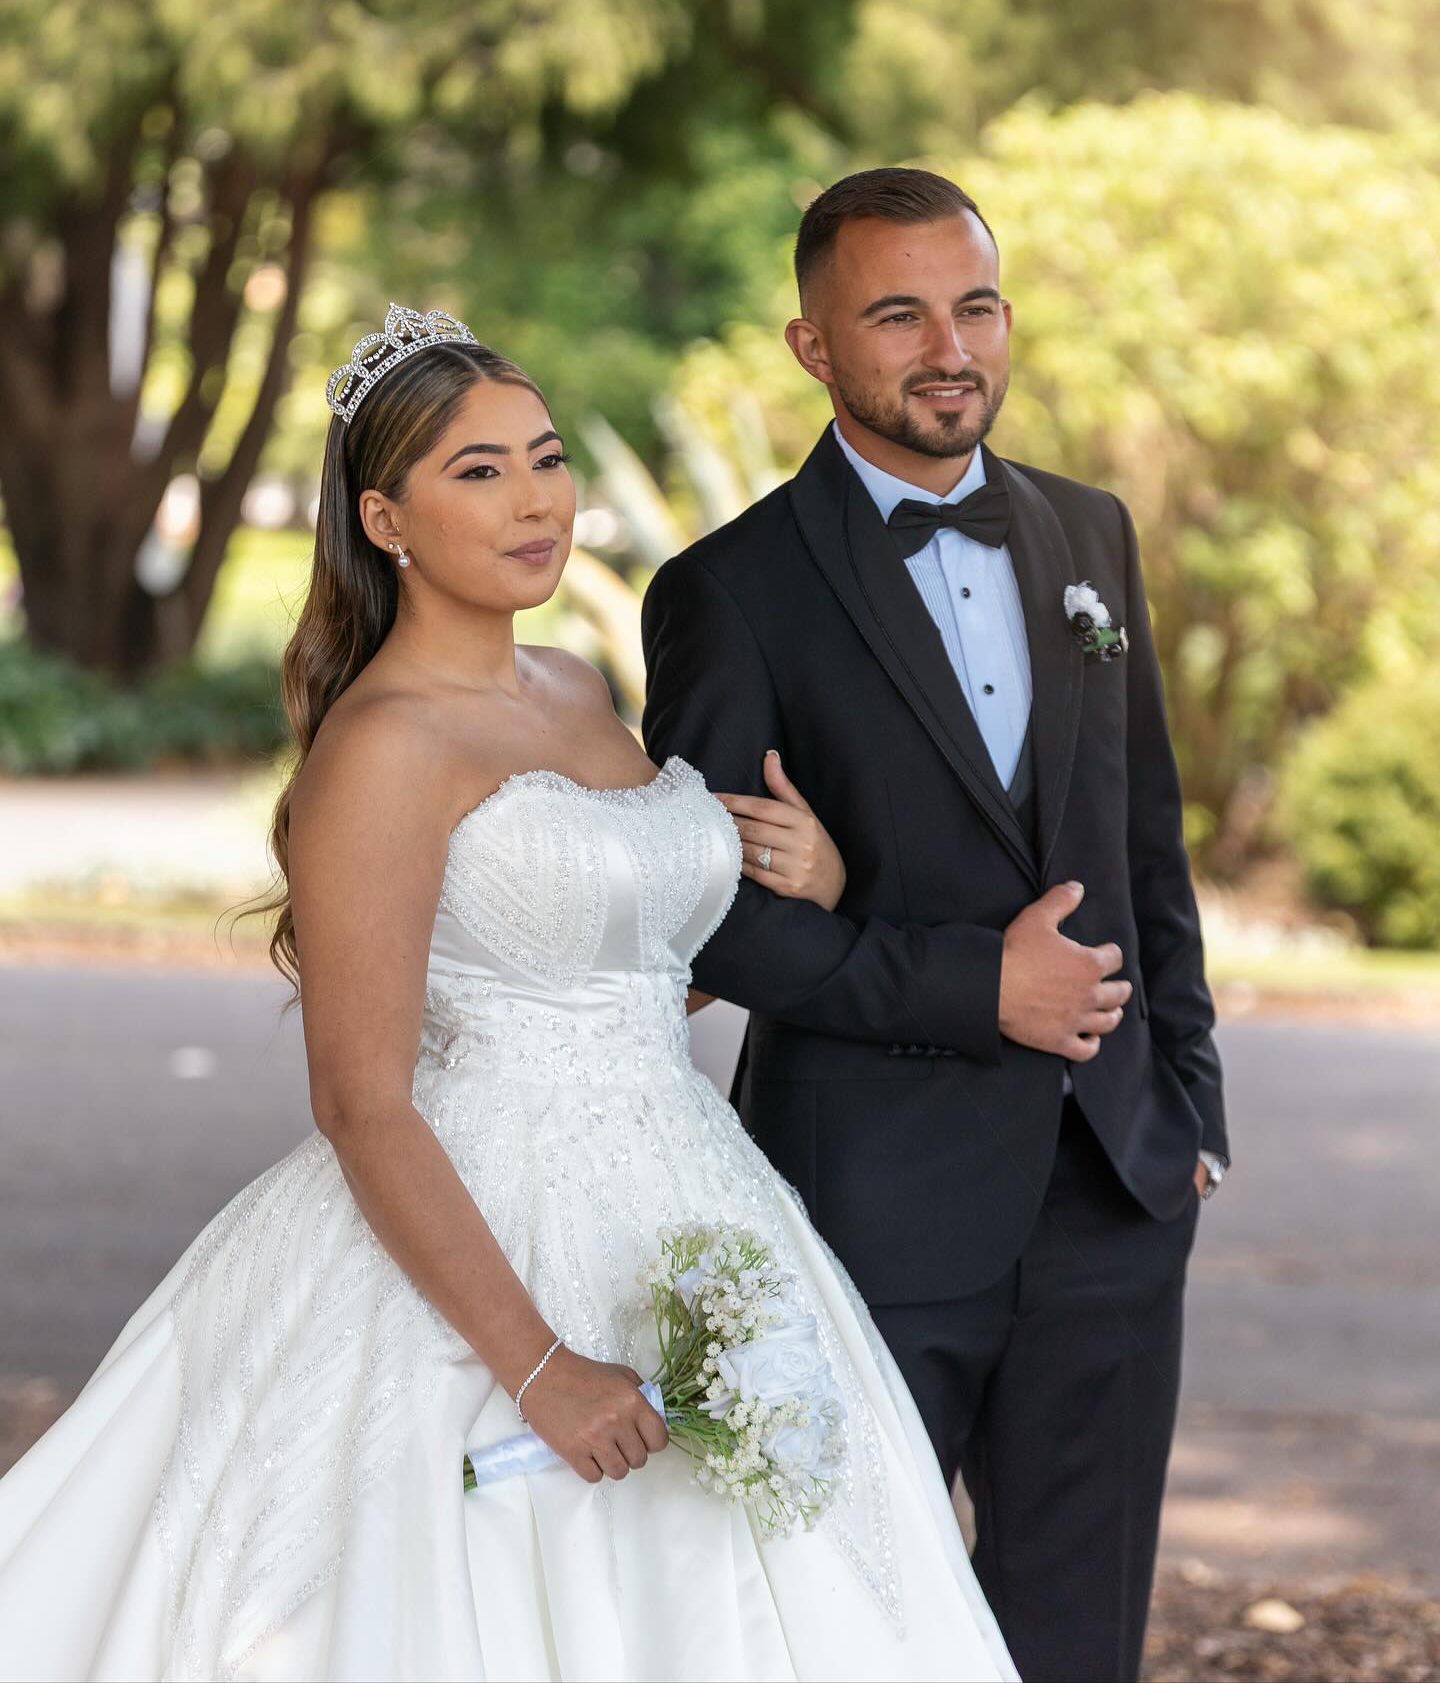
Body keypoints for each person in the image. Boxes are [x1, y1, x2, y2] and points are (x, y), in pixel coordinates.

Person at [0, 304, 1015, 1683]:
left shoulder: (581, 687)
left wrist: (819, 885)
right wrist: (538, 1367)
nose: (536, 499)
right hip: (484, 1232)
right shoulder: (384, 749)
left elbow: (617, 991)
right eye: (478, 472)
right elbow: (362, 1102)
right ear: (385, 517)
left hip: (690, 1193)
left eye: (544, 458)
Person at [642, 168, 1230, 1683]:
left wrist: (1190, 1113)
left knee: (1079, 1640)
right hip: (871, 1208)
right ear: (813, 347)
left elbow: (1145, 852)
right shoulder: (731, 592)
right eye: (896, 315)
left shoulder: (1092, 536)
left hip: (1114, 1192)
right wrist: (984, 987)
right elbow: (716, 937)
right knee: (857, 1635)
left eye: (973, 307)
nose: (947, 347)